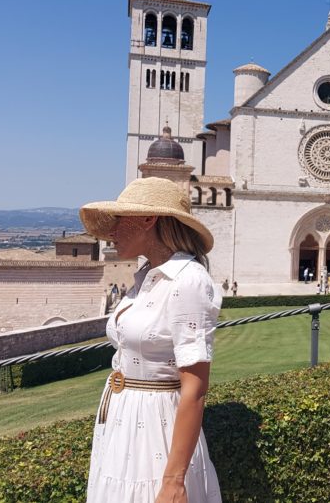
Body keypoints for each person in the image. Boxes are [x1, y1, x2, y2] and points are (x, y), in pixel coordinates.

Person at [79, 177, 221, 503]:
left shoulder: (188, 281)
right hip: (123, 422)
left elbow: (195, 388)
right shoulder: (145, 277)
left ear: (148, 219)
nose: (111, 231)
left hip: (158, 429)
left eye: (119, 220)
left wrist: (173, 481)